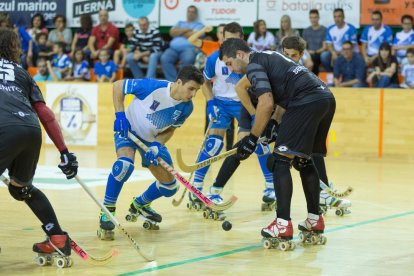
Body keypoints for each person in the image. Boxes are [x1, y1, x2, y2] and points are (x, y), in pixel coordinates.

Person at [220, 38, 334, 246]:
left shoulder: (254, 64)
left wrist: (252, 138)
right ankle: (314, 220)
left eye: (229, 63)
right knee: (303, 161)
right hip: (325, 98)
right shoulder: (270, 56)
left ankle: (282, 223)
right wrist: (273, 122)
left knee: (280, 161)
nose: (231, 68)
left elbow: (266, 102)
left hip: (305, 102)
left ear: (239, 54)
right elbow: (285, 91)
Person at [97, 65, 204, 239]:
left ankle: (140, 204)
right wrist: (120, 116)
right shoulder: (153, 87)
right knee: (124, 166)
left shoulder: (187, 108)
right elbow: (117, 86)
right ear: (178, 82)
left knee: (170, 187)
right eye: (191, 88)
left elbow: (170, 130)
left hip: (150, 141)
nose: (193, 94)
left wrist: (157, 145)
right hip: (128, 131)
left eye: (197, 90)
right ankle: (107, 210)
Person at [0, 28, 78, 264]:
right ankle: (57, 236)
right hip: (31, 130)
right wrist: (65, 152)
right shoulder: (22, 72)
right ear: (15, 49)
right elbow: (45, 113)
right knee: (20, 187)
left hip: (3, 127)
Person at [187, 23, 271, 218]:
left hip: (244, 103)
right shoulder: (214, 58)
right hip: (221, 105)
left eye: (232, 38)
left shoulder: (250, 57)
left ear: (242, 39)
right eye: (225, 38)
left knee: (258, 143)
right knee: (214, 144)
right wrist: (210, 103)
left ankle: (270, 187)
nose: (227, 42)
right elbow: (204, 82)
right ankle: (197, 186)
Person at [160, 5, 204, 81]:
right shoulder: (180, 22)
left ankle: (181, 81)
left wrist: (179, 31)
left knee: (188, 59)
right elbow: (172, 32)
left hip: (189, 49)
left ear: (196, 14)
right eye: (189, 11)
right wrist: (187, 29)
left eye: (193, 12)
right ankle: (173, 82)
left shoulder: (200, 25)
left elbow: (193, 36)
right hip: (173, 48)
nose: (190, 13)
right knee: (164, 59)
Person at [302, 9, 327, 75]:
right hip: (309, 54)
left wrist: (315, 52)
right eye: (311, 17)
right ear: (309, 18)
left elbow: (324, 47)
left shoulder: (324, 30)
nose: (313, 19)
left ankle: (314, 79)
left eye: (315, 17)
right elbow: (304, 46)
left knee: (314, 57)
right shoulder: (306, 31)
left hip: (320, 53)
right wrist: (308, 53)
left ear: (318, 18)